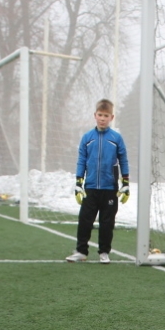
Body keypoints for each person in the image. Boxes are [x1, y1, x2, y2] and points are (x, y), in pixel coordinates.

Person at [66, 98, 130, 264]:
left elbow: (123, 160)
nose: (102, 118)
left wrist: (126, 183)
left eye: (106, 115)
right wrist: (79, 183)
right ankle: (81, 251)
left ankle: (104, 252)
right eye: (100, 115)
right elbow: (82, 160)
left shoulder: (116, 138)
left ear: (111, 117)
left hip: (110, 188)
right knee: (85, 219)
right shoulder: (87, 137)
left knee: (107, 222)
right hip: (90, 187)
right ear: (95, 115)